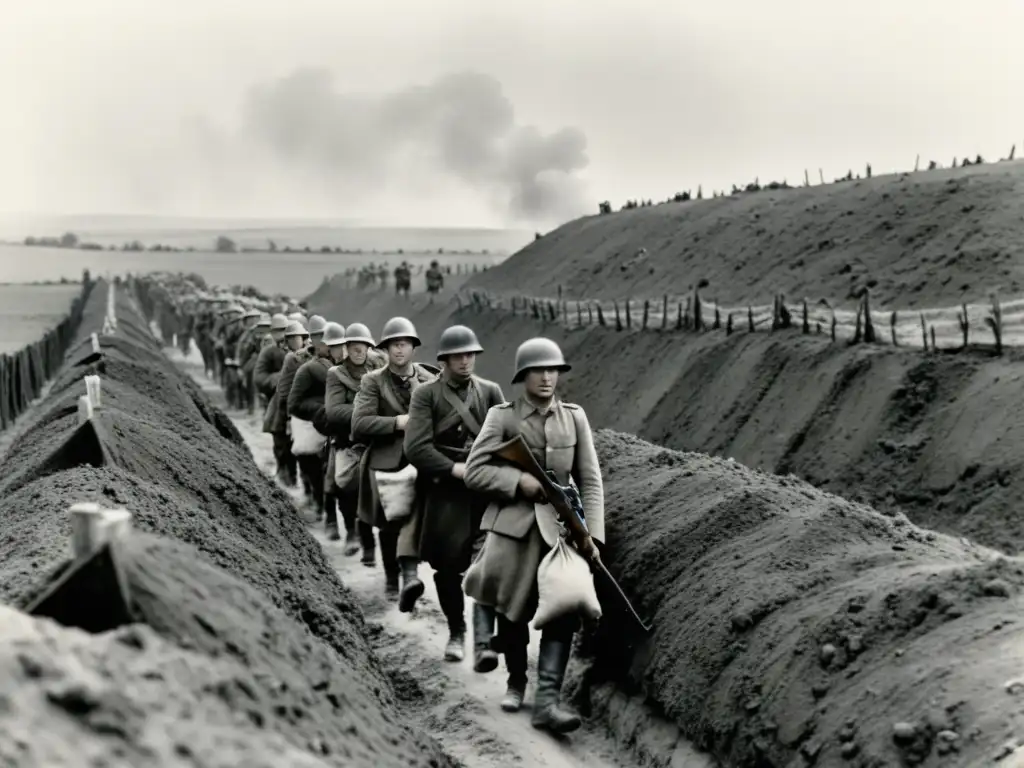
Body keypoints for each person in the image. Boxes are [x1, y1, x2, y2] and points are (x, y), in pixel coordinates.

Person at [462, 337, 604, 734]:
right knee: (513, 610)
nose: (546, 377)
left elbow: (590, 480)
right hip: (514, 526)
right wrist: (517, 481)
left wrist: (592, 534)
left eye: (553, 370)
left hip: (560, 530)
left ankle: (547, 703)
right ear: (523, 376)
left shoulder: (574, 417)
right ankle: (515, 681)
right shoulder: (502, 417)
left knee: (563, 611)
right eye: (538, 371)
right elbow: (475, 471)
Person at [404, 325, 505, 666]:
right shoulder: (426, 395)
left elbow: (507, 440)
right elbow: (416, 448)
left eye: (470, 354)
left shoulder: (490, 392)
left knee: (488, 565)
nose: (465, 361)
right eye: (458, 356)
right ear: (444, 360)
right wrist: (454, 469)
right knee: (447, 570)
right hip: (445, 494)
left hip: (483, 494)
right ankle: (456, 631)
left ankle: (482, 642)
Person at [350, 317, 437, 603]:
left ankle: (410, 577)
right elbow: (359, 424)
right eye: (393, 345)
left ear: (413, 347)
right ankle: (392, 578)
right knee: (388, 526)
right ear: (385, 349)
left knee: (423, 521)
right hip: (386, 461)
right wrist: (397, 423)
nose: (399, 350)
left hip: (423, 460)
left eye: (404, 344)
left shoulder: (429, 379)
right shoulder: (372, 381)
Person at [323, 322, 386, 549]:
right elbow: (334, 410)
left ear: (369, 347)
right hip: (348, 441)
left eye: (363, 347)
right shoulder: (336, 374)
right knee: (344, 483)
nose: (359, 352)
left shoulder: (381, 369)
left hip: (378, 438)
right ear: (346, 348)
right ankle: (351, 530)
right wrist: (367, 414)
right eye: (354, 348)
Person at [288, 319, 336, 521]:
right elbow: (291, 399)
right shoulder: (303, 364)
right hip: (310, 421)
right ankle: (319, 503)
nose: (326, 343)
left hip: (333, 421)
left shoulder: (340, 361)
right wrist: (319, 409)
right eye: (319, 337)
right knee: (313, 466)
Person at [267, 320, 309, 488]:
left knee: (307, 454)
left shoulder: (310, 356)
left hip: (305, 410)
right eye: (289, 339)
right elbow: (282, 391)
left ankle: (308, 491)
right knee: (284, 447)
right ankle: (289, 482)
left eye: (296, 338)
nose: (293, 342)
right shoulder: (286, 357)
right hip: (285, 409)